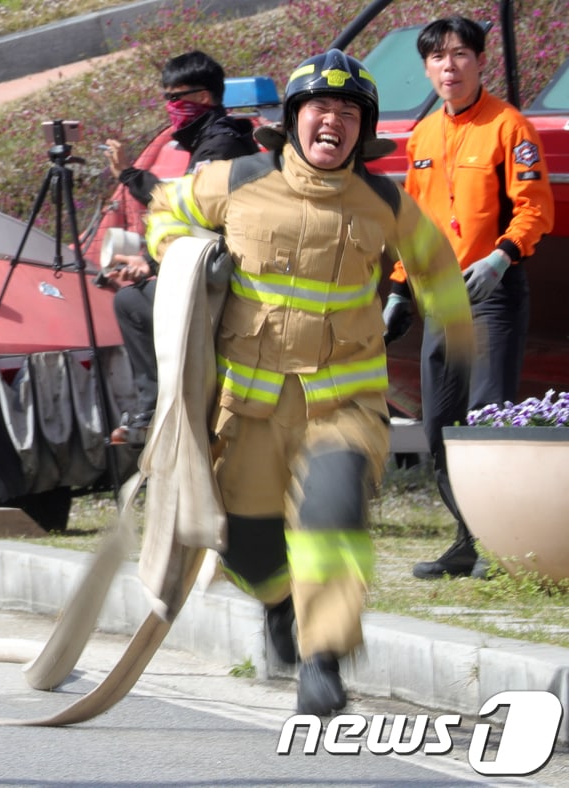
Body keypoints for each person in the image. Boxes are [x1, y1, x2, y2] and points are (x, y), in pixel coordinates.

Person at [146, 50, 472, 714]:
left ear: (364, 128)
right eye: (319, 108)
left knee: (332, 517)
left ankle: (323, 659)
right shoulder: (234, 179)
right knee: (247, 545)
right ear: (293, 120)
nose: (334, 121)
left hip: (343, 408)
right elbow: (164, 211)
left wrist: (457, 345)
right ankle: (278, 601)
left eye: (349, 112)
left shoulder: (384, 202)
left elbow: (439, 271)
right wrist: (178, 258)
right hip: (249, 410)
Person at [382, 16, 555, 580]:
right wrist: (400, 287)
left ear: (481, 61)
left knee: (485, 421)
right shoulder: (425, 135)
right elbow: (415, 222)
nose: (448, 67)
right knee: (440, 427)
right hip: (439, 301)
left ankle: (502, 549)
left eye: (459, 55)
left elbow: (535, 207)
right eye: (437, 58)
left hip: (491, 295)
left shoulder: (510, 127)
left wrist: (503, 255)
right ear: (426, 68)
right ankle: (466, 541)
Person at [101, 50, 259, 447]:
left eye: (177, 98)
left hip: (233, 283)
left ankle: (156, 412)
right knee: (135, 297)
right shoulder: (213, 140)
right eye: (167, 99)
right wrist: (151, 261)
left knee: (131, 305)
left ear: (205, 97)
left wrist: (130, 176)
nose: (171, 108)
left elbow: (187, 208)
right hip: (212, 270)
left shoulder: (220, 147)